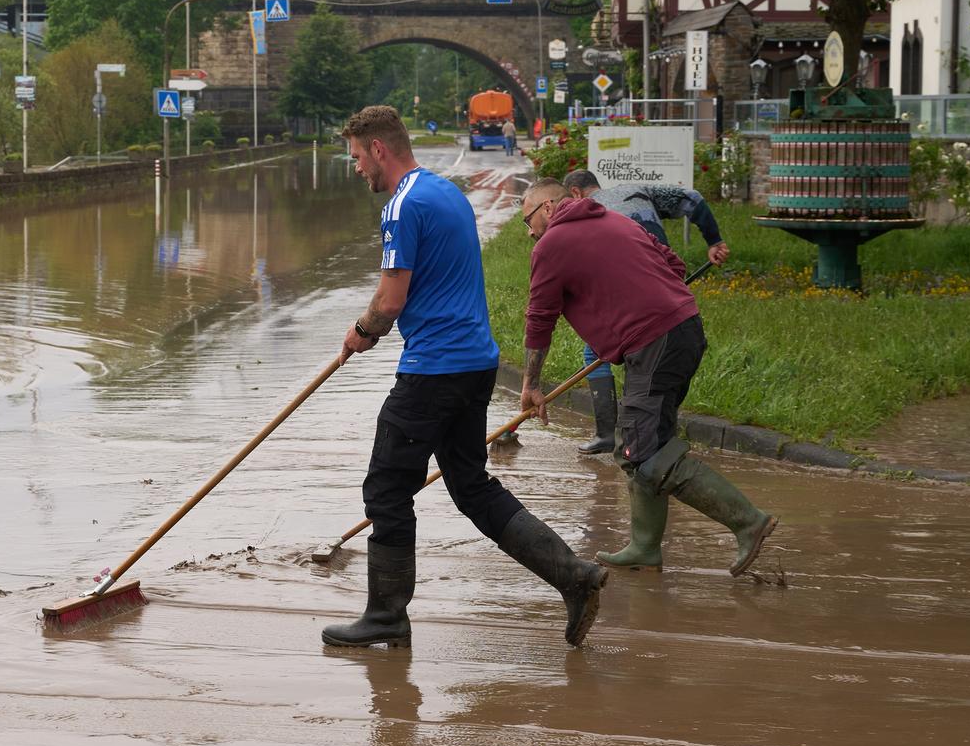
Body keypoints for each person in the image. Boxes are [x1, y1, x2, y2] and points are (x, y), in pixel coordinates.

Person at [325, 107, 607, 649]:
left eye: (357, 156)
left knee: (386, 487)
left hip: (435, 368)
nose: (356, 167)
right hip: (475, 363)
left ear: (379, 149)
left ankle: (386, 616)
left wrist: (363, 330)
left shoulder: (402, 205)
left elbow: (390, 298)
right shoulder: (446, 192)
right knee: (472, 487)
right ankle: (574, 576)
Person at [518, 176, 777, 576]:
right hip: (682, 330)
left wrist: (531, 384)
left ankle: (748, 521)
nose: (529, 230)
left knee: (643, 450)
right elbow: (673, 262)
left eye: (527, 219)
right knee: (640, 441)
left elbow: (540, 318)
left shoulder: (551, 244)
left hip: (656, 343)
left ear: (548, 208)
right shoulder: (615, 220)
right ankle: (645, 547)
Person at [558, 170, 731, 455]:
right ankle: (655, 435)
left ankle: (606, 435)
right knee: (651, 362)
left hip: (630, 290)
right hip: (666, 285)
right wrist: (715, 241)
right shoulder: (637, 189)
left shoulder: (590, 214)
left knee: (597, 352)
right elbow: (693, 198)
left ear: (575, 193)